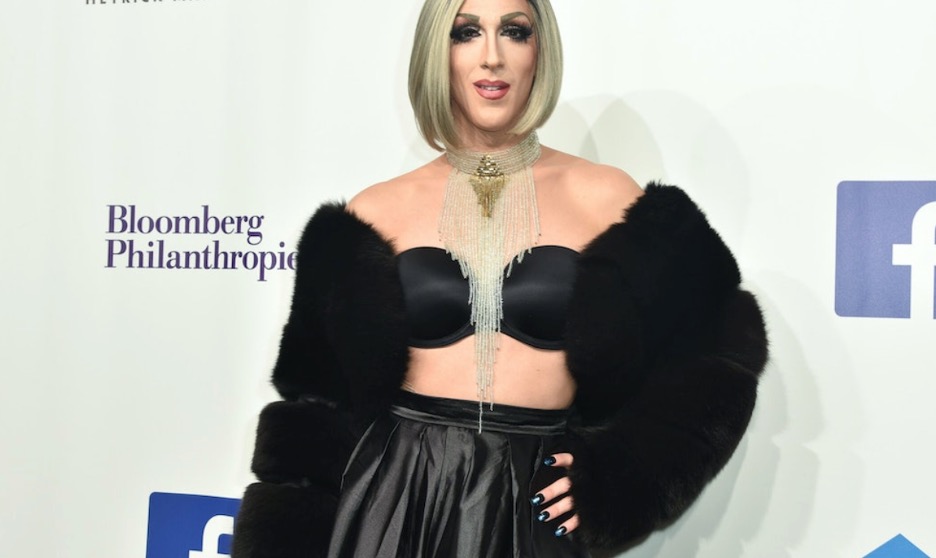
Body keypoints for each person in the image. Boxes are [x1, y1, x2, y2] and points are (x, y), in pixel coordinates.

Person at [232, 0, 768, 556]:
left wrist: (625, 479)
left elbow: (719, 354)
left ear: (540, 51)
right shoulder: (370, 215)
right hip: (388, 503)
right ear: (437, 53)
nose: (492, 56)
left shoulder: (610, 200)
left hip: (533, 502)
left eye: (514, 31)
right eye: (467, 33)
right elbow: (315, 411)